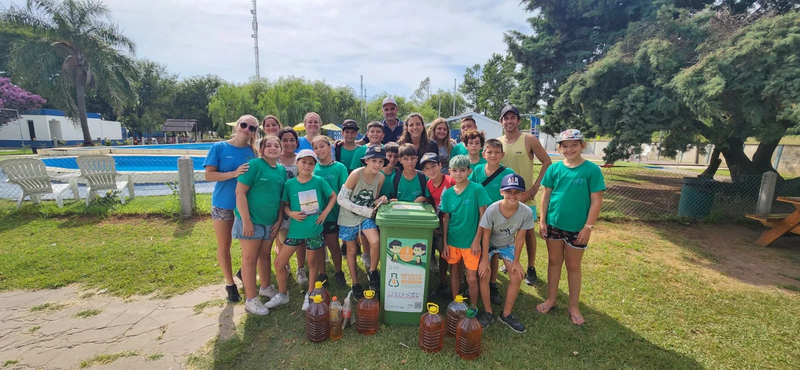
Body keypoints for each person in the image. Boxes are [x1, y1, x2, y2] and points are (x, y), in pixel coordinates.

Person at [537, 129, 604, 326]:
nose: (569, 149)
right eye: (564, 146)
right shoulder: (554, 169)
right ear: (559, 148)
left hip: (577, 228)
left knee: (573, 266)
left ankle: (573, 306)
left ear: (582, 145)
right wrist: (542, 221)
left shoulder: (592, 170)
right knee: (554, 261)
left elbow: (596, 201)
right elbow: (546, 196)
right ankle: (551, 299)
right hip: (554, 225)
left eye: (574, 145)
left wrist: (588, 227)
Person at [266, 150, 337, 311]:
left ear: (315, 165)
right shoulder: (290, 184)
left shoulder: (318, 181)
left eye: (311, 163)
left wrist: (325, 213)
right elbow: (285, 204)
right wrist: (291, 213)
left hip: (314, 228)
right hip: (296, 230)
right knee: (279, 262)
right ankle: (283, 294)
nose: (307, 166)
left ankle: (310, 294)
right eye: (303, 162)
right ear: (297, 163)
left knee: (312, 263)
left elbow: (333, 196)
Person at [203, 115, 258, 302]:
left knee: (247, 246)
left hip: (246, 206)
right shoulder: (219, 147)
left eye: (251, 127)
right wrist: (233, 174)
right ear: (237, 126)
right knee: (224, 245)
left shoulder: (253, 152)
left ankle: (244, 272)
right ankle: (230, 284)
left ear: (254, 132)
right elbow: (209, 176)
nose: (246, 129)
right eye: (244, 125)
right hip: (223, 204)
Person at [498, 105, 552, 285]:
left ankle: (531, 267)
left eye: (513, 117)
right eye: (506, 118)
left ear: (519, 120)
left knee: (528, 233)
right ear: (501, 121)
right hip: (506, 197)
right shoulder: (498, 142)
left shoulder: (528, 139)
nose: (509, 121)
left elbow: (547, 162)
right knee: (508, 232)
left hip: (526, 195)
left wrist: (535, 187)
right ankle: (511, 261)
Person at [233, 135, 286, 315]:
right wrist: (246, 221)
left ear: (281, 149)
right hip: (251, 221)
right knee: (250, 259)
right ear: (261, 150)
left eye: (276, 145)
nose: (272, 148)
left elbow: (280, 199)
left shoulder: (281, 170)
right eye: (268, 145)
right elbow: (240, 193)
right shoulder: (254, 165)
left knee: (264, 256)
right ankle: (251, 299)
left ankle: (265, 287)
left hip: (270, 221)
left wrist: (279, 220)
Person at [477, 174, 534, 331]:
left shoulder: (526, 212)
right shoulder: (493, 209)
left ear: (523, 194)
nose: (512, 195)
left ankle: (506, 314)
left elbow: (520, 238)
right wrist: (483, 260)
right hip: (489, 244)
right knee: (484, 273)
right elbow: (486, 235)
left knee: (517, 275)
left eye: (517, 192)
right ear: (502, 191)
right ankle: (487, 311)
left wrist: (516, 261)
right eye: (509, 191)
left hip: (507, 245)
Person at [337, 145, 389, 299]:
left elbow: (373, 199)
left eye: (380, 161)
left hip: (366, 216)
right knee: (351, 251)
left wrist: (381, 199)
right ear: (366, 160)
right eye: (374, 160)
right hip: (347, 216)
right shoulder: (355, 174)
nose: (377, 164)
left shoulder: (380, 177)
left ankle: (373, 271)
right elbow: (341, 198)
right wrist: (363, 210)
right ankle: (355, 282)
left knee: (375, 241)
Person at [469, 138, 516, 306]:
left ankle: (492, 284)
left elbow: (513, 194)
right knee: (480, 251)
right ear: (484, 154)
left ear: (502, 154)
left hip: (499, 220)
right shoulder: (478, 170)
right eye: (489, 152)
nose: (493, 155)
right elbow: (471, 190)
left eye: (497, 152)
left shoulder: (508, 172)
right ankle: (474, 281)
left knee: (494, 252)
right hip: (480, 217)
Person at [440, 155, 492, 307]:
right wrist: (444, 242)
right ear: (449, 172)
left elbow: (484, 215)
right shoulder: (448, 193)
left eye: (462, 170)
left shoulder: (477, 189)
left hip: (471, 242)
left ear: (469, 171)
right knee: (455, 271)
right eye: (454, 170)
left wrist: (477, 240)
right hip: (453, 240)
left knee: (471, 278)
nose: (458, 174)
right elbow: (446, 218)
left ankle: (474, 306)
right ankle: (456, 303)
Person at [312, 136, 348, 287]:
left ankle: (339, 272)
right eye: (316, 148)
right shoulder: (313, 168)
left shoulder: (339, 167)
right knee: (319, 245)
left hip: (333, 213)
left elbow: (345, 190)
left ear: (329, 147)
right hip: (315, 214)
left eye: (322, 146)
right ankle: (322, 274)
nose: (319, 150)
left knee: (333, 244)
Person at [420, 153, 456, 299]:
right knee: (439, 252)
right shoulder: (429, 183)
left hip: (453, 223)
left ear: (441, 165)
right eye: (427, 168)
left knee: (449, 254)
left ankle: (456, 284)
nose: (431, 170)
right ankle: (442, 282)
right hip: (438, 223)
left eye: (434, 166)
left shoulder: (451, 181)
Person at [276, 127, 307, 286]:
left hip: (299, 205)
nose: (288, 143)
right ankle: (285, 265)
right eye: (285, 140)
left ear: (297, 142)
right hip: (279, 204)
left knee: (299, 238)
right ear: (280, 142)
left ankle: (301, 268)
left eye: (292, 140)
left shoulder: (301, 159)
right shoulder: (274, 159)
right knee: (282, 237)